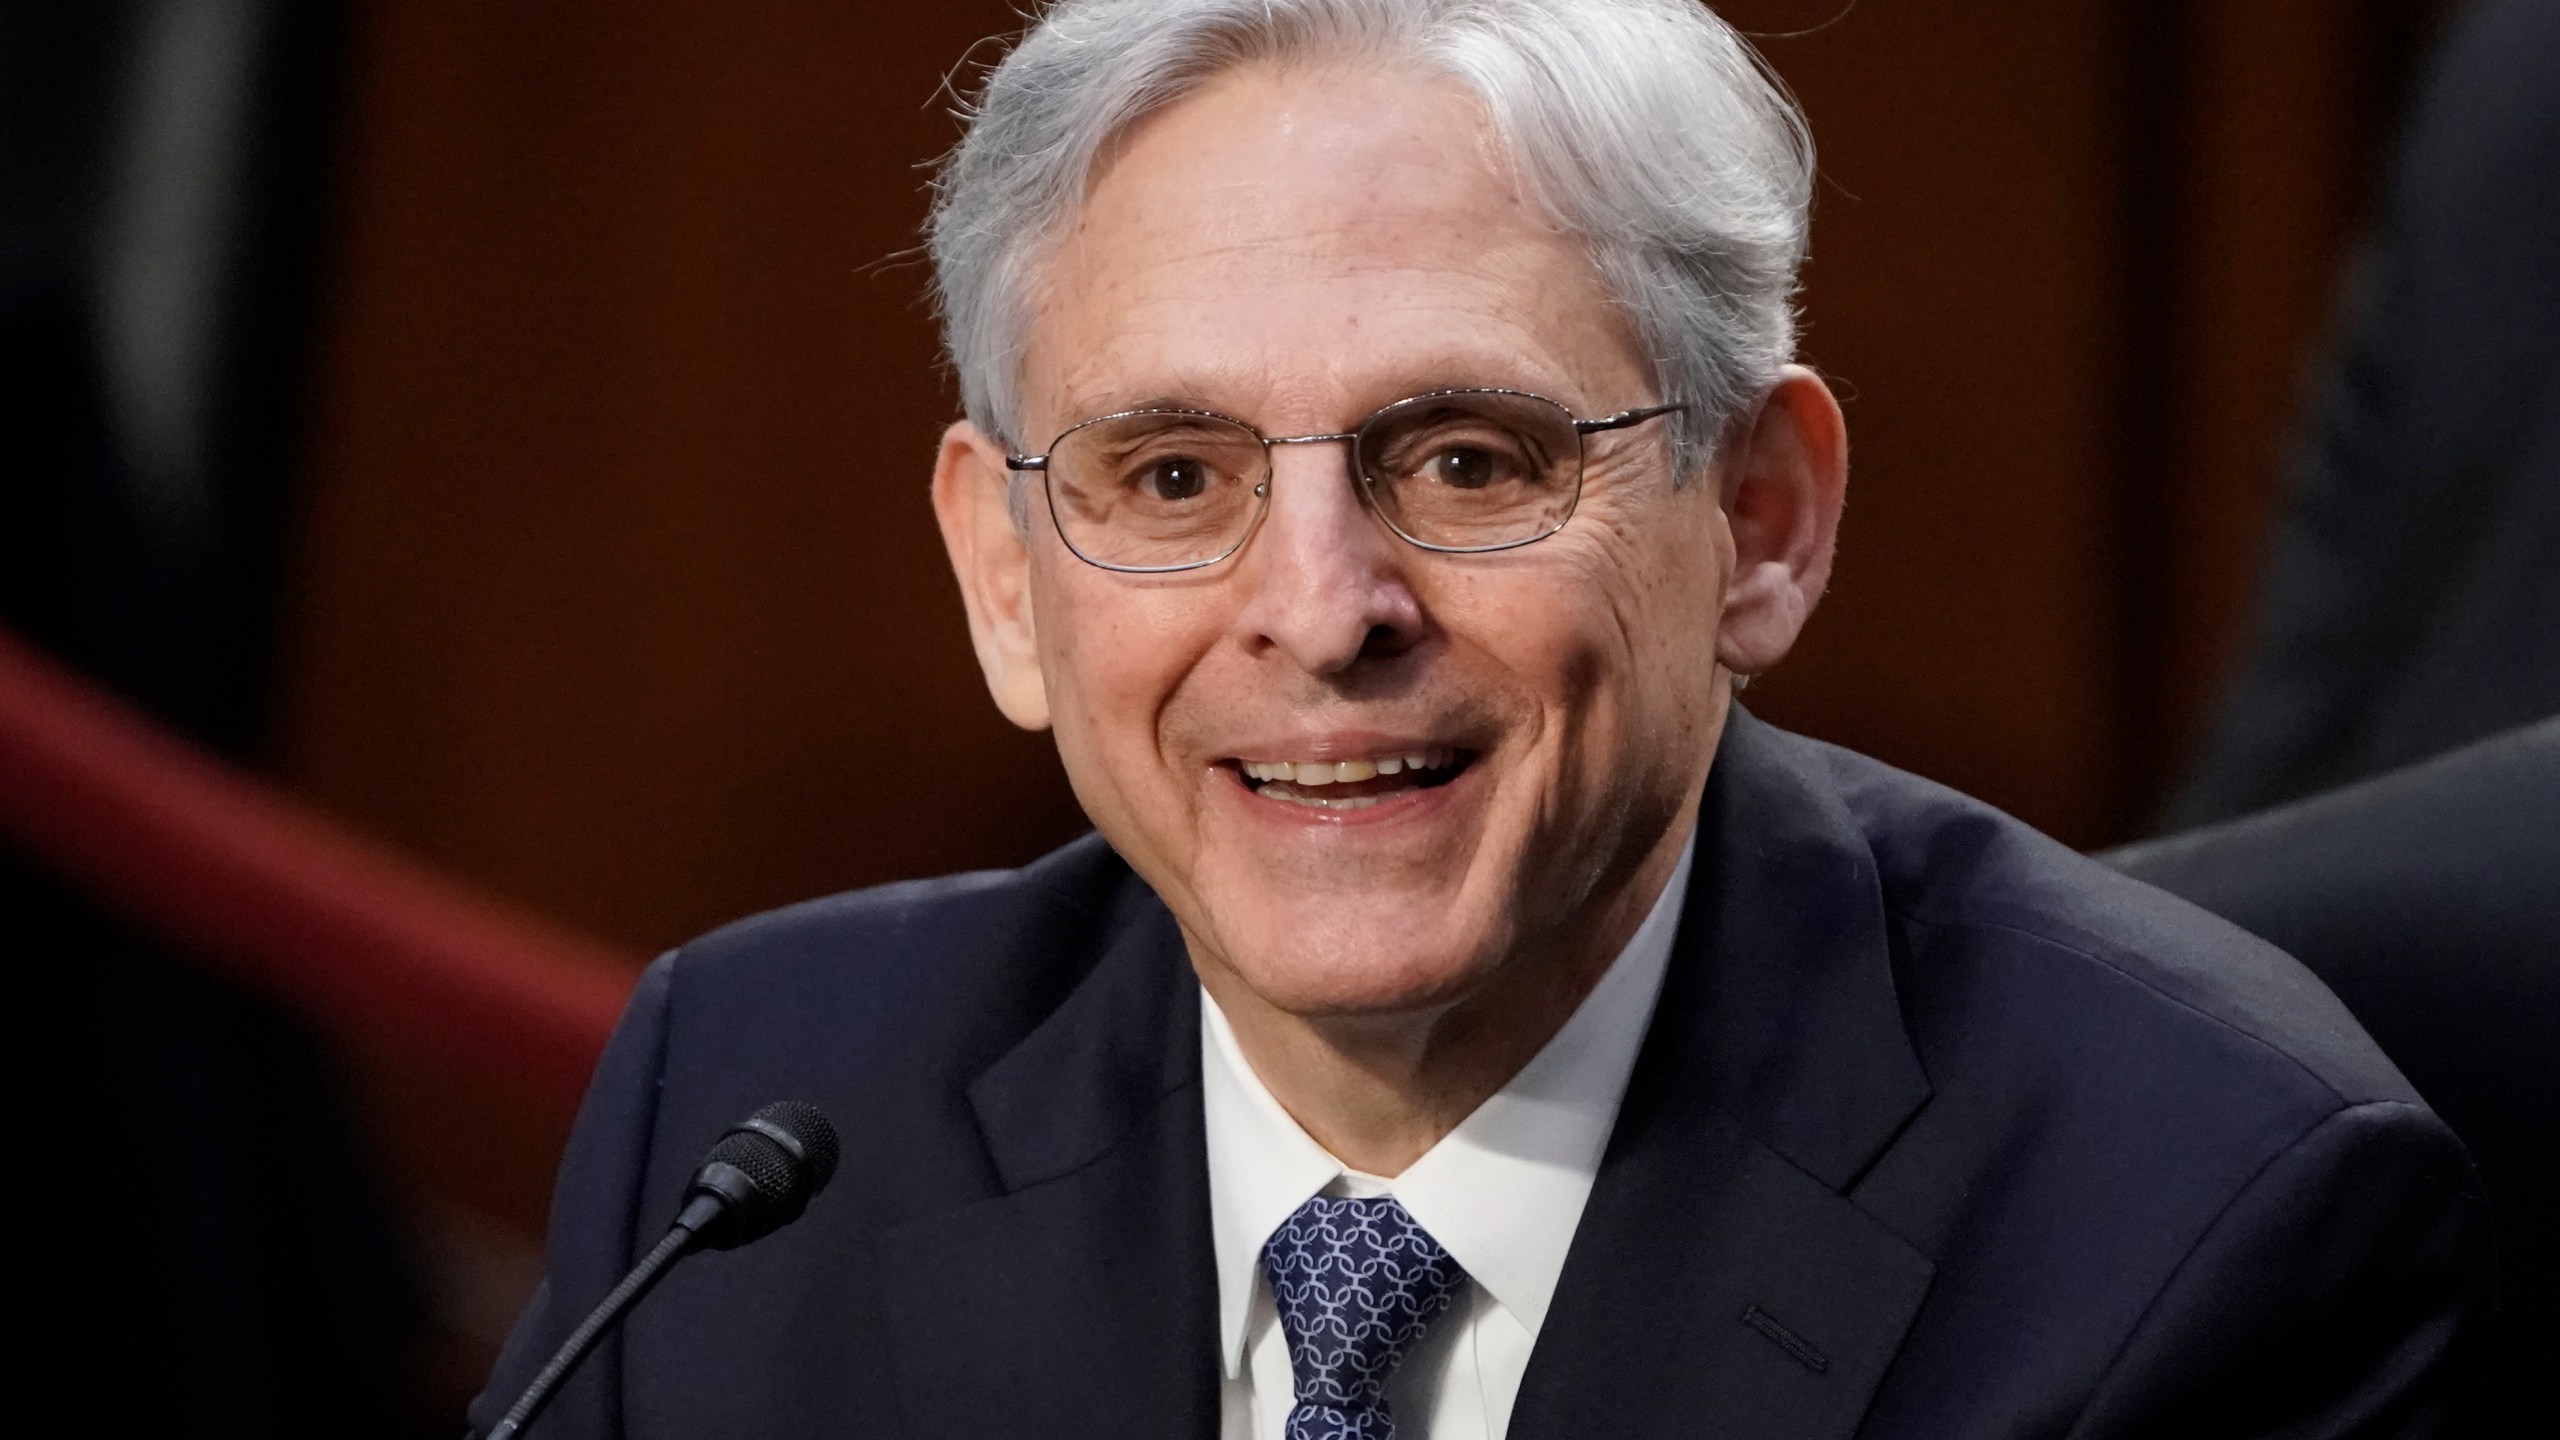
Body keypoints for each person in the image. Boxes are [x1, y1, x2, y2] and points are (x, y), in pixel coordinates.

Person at [472, 2, 2489, 1436]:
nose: (1319, 610)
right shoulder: (750, 1117)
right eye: (1171, 476)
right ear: (1007, 577)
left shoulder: (2186, 1222)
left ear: (1759, 524)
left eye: (1464, 458)